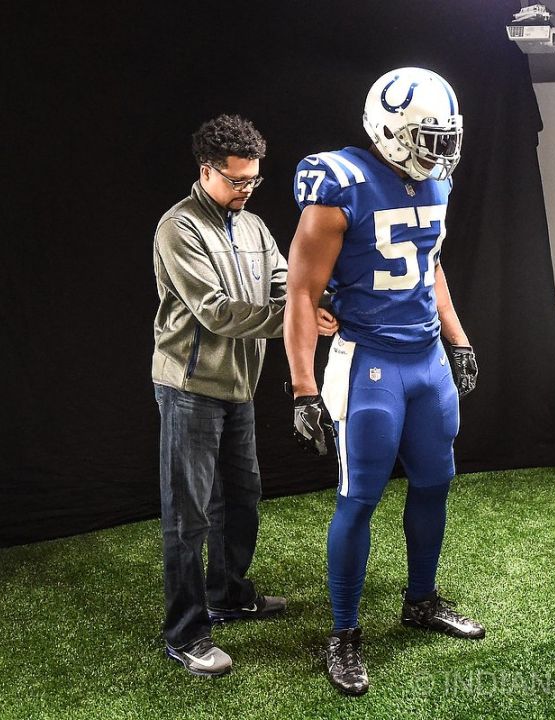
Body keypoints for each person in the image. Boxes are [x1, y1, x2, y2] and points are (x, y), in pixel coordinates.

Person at [283, 68, 485, 696]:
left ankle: (421, 601)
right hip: (369, 361)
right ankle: (343, 634)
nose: (441, 150)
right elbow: (300, 291)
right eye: (428, 135)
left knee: (436, 483)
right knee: (360, 496)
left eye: (444, 135)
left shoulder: (437, 184)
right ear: (391, 131)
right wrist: (303, 386)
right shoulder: (337, 185)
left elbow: (431, 267)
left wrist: (457, 337)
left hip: (425, 360)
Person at [152, 114, 338, 677]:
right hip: (189, 387)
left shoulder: (255, 226)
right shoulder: (178, 228)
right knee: (188, 516)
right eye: (237, 181)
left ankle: (228, 595)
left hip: (240, 387)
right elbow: (215, 311)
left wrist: (315, 301)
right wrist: (292, 321)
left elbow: (286, 283)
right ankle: (185, 633)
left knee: (243, 497)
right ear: (207, 170)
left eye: (253, 181)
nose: (246, 190)